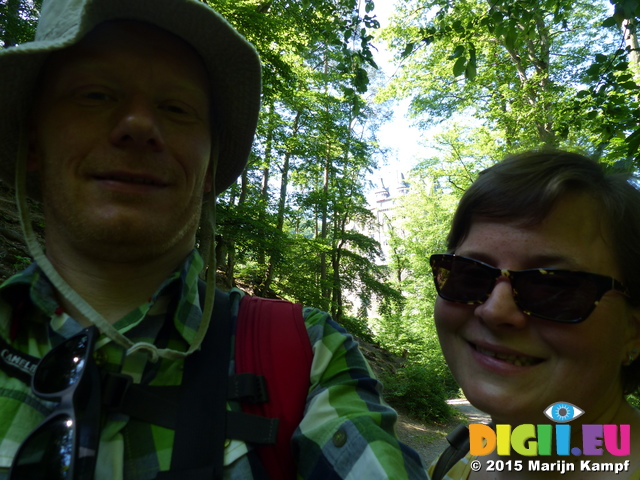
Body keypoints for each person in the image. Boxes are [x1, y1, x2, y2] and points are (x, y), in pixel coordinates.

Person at [0, 0, 428, 478]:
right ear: (34, 143)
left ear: (209, 167)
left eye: (175, 107)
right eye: (96, 95)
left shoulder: (310, 356)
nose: (140, 125)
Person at [427, 150, 640, 479]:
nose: (496, 311)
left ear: (633, 330)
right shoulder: (451, 466)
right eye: (470, 274)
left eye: (554, 288)